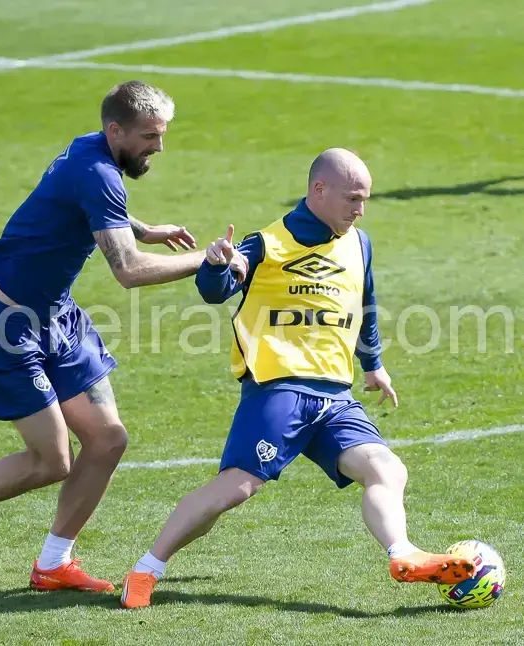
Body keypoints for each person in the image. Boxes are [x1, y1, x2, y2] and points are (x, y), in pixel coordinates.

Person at [119, 148, 478, 609]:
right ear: (319, 190)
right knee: (236, 488)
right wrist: (214, 263)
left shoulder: (359, 244)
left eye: (364, 200)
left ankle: (403, 554)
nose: (359, 209)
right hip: (280, 389)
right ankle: (146, 570)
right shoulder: (266, 244)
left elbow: (364, 305)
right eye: (353, 198)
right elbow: (216, 291)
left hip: (336, 397)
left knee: (387, 469)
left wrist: (374, 365)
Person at [0, 81, 206, 592]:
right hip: (8, 332)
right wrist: (207, 260)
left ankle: (53, 563)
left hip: (59, 319)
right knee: (52, 461)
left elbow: (86, 200)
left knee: (109, 439)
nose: (158, 147)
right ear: (115, 130)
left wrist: (140, 227)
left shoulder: (88, 150)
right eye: (150, 136)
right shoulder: (97, 170)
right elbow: (129, 272)